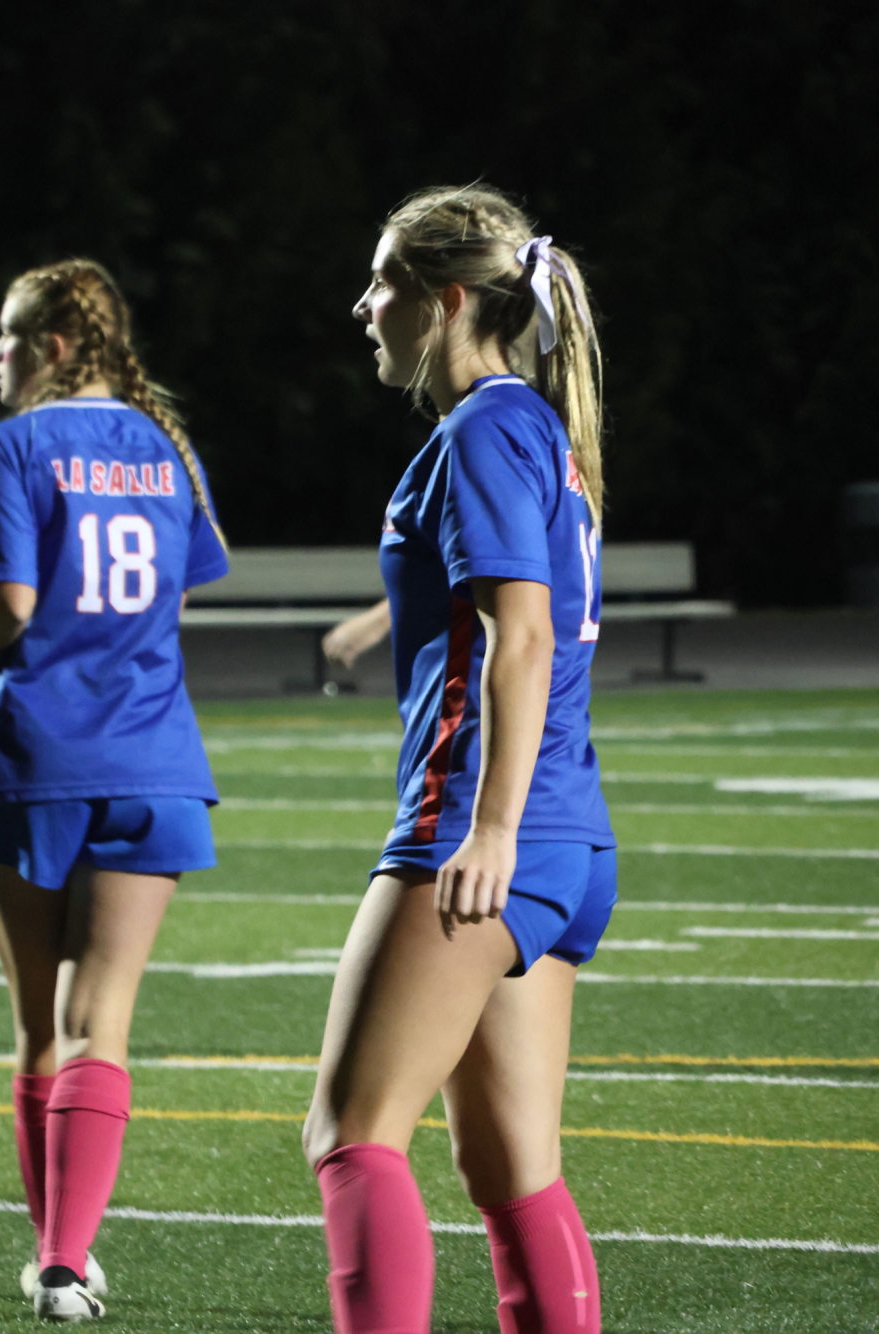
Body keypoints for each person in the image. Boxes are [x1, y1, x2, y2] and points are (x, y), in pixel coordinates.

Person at [302, 186, 616, 1334]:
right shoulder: (532, 422)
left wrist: (485, 824)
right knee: (512, 1168)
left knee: (350, 1133)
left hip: (486, 833)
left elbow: (523, 632)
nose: (362, 305)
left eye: (383, 282)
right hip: (569, 834)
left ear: (444, 301)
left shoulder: (482, 424)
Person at [0, 258, 229, 1323]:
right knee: (104, 1020)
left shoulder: (8, 445)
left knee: (38, 1029)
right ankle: (67, 1256)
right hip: (154, 758)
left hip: (36, 755)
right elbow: (170, 596)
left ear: (57, 345)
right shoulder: (166, 444)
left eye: (10, 335)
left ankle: (54, 1256)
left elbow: (10, 599)